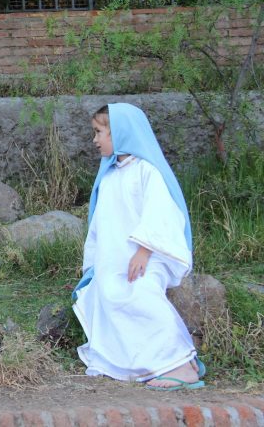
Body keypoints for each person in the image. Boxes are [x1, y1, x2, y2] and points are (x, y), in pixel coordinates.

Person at [72, 102, 205, 391]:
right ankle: (144, 362)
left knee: (142, 294)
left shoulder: (147, 172)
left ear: (119, 133)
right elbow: (101, 224)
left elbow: (161, 212)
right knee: (106, 293)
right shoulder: (109, 176)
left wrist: (144, 250)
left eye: (98, 132)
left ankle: (182, 364)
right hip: (116, 260)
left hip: (147, 256)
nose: (94, 140)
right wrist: (95, 263)